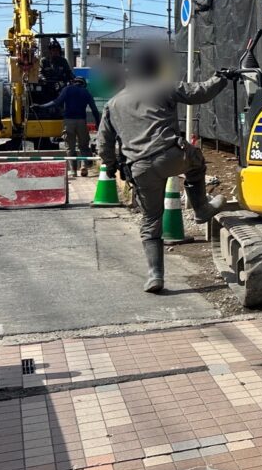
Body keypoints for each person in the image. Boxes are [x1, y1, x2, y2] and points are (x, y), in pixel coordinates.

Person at [97, 45, 238, 293]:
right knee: (196, 162)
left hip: (139, 168)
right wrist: (222, 77)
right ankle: (201, 208)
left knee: (151, 220)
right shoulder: (164, 86)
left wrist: (109, 166)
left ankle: (155, 276)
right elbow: (201, 92)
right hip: (171, 156)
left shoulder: (113, 103)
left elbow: (104, 142)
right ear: (154, 68)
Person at [38, 78, 100, 176]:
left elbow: (56, 102)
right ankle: (84, 166)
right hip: (81, 122)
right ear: (83, 84)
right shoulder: (86, 92)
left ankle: (73, 171)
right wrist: (98, 123)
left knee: (70, 148)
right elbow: (94, 110)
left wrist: (41, 106)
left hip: (68, 122)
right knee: (83, 146)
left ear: (73, 82)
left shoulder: (67, 89)